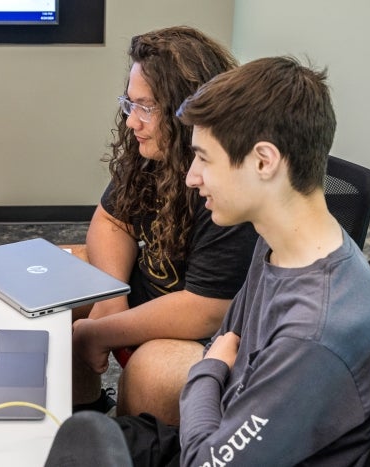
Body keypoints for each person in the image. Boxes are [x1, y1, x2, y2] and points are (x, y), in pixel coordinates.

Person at [49, 56, 370, 466]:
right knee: (64, 441)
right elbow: (228, 344)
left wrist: (209, 371)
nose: (191, 176)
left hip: (214, 444)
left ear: (263, 161)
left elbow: (205, 457)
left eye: (204, 158)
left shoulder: (312, 336)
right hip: (226, 416)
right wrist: (216, 366)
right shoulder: (282, 243)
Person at [71, 26, 258, 425]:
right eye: (130, 104)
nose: (132, 122)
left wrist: (102, 331)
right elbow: (111, 220)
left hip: (208, 330)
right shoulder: (150, 151)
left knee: (155, 371)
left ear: (185, 111)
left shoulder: (224, 177)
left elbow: (206, 309)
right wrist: (112, 295)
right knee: (55, 276)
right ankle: (86, 413)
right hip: (153, 293)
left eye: (146, 108)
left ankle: (131, 445)